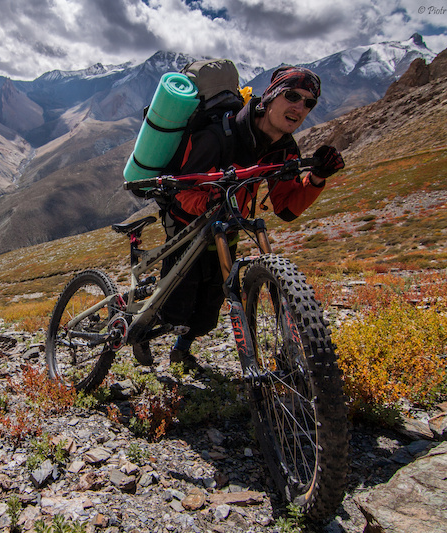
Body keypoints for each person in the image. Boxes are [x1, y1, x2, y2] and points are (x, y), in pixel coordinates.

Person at [134, 65, 345, 368]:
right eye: (292, 96)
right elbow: (181, 192)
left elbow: (286, 207)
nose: (300, 107)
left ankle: (181, 350)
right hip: (188, 228)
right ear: (271, 96)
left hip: (227, 230)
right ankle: (140, 332)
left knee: (208, 311)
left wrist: (316, 178)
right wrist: (211, 198)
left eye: (309, 103)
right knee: (175, 309)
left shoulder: (283, 147)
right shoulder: (218, 135)